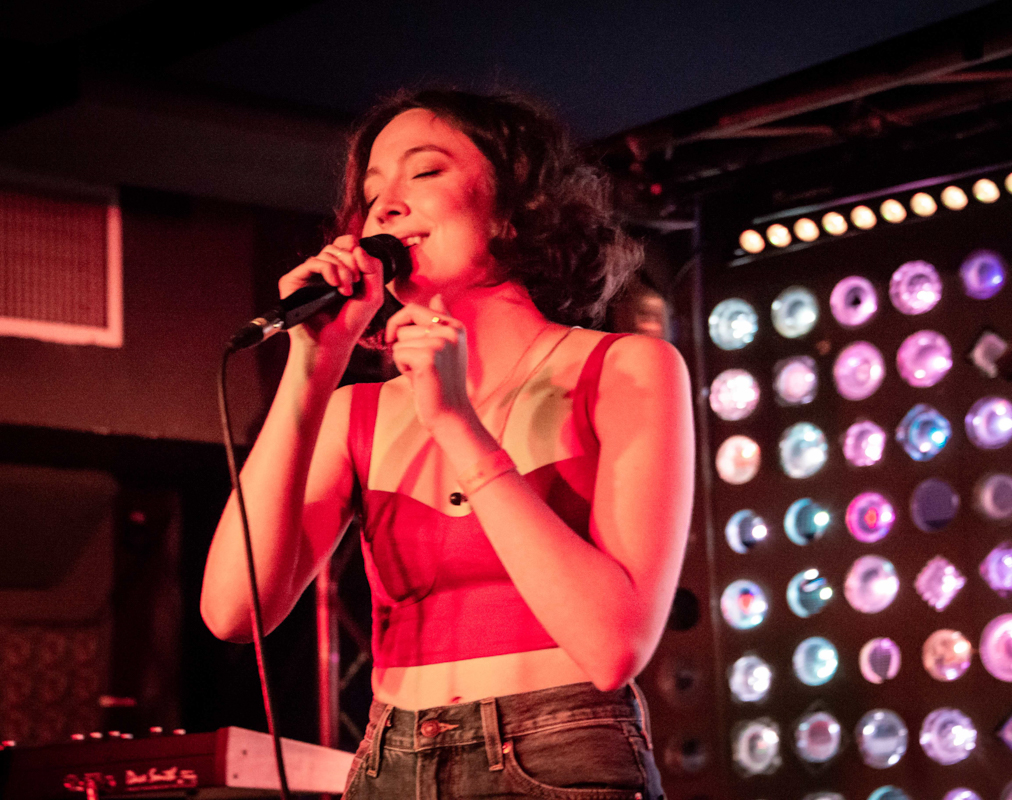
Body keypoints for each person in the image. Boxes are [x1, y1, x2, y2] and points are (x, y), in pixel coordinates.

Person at [200, 89, 694, 800]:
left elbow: (614, 646)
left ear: (516, 207)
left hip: (558, 754)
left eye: (424, 171)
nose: (386, 206)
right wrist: (313, 361)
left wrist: (458, 425)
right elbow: (233, 611)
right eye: (372, 193)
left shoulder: (624, 369)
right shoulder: (356, 413)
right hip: (390, 761)